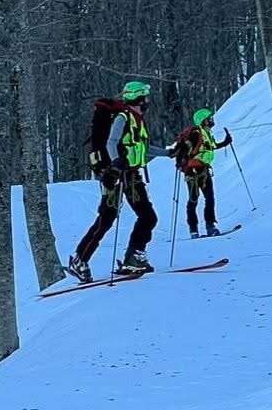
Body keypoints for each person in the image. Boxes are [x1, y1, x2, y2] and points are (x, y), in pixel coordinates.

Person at [68, 80, 168, 282]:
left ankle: (133, 256)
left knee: (146, 217)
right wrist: (115, 163)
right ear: (139, 98)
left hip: (131, 175)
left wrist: (168, 153)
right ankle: (81, 259)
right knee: (108, 218)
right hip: (117, 175)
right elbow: (111, 142)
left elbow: (142, 148)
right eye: (145, 97)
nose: (148, 101)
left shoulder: (136, 119)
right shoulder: (123, 117)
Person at [172, 108, 232, 238]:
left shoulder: (206, 133)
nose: (211, 120)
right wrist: (181, 160)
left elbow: (211, 147)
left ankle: (210, 226)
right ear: (203, 121)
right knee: (194, 199)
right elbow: (186, 148)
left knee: (209, 198)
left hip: (203, 170)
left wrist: (225, 142)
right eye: (209, 118)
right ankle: (194, 229)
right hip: (192, 171)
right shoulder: (196, 133)